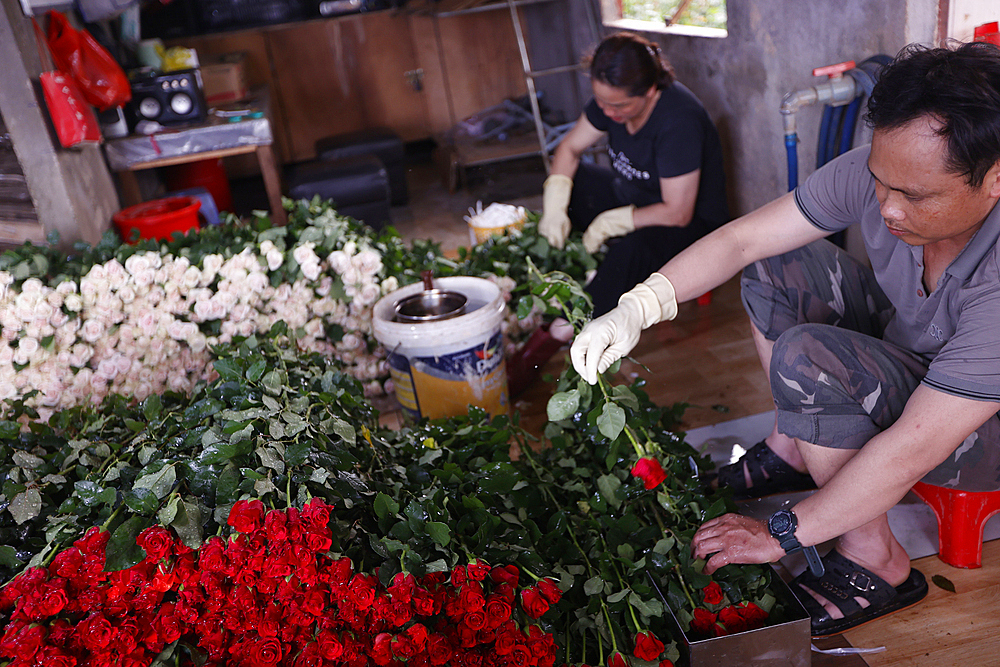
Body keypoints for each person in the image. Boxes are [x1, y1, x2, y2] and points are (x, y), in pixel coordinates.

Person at [569, 40, 1000, 637]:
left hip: (978, 432)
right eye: (880, 181)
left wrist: (781, 533)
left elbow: (913, 447)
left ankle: (878, 558)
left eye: (915, 196)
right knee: (779, 265)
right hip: (919, 355)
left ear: (995, 177)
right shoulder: (892, 174)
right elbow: (745, 241)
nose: (887, 207)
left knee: (806, 357)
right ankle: (795, 447)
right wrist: (638, 307)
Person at [506, 32, 729, 397]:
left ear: (651, 90)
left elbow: (678, 211)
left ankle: (563, 330)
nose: (607, 114)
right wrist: (555, 205)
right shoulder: (611, 98)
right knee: (573, 183)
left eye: (619, 107)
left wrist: (614, 222)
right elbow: (570, 148)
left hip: (689, 225)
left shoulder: (679, 120)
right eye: (601, 103)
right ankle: (577, 270)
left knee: (632, 250)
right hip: (634, 198)